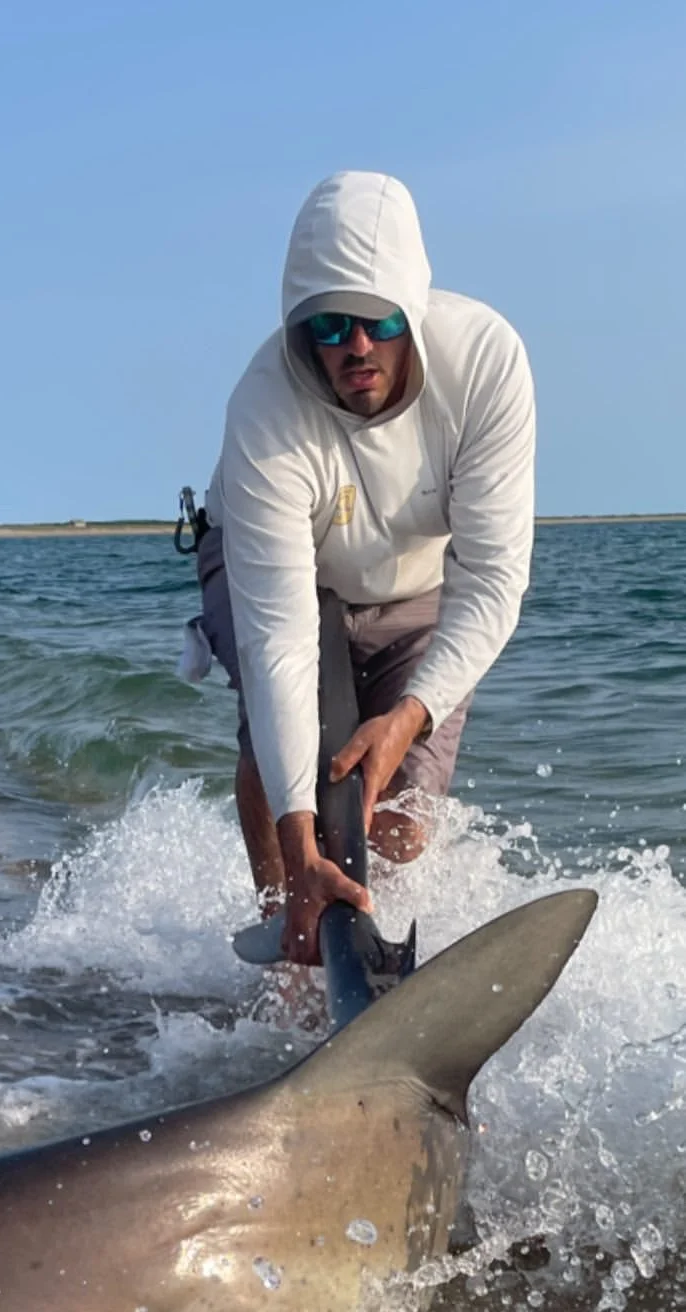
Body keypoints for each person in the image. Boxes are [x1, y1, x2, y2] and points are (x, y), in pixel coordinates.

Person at [192, 169, 535, 963]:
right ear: (300, 325)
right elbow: (278, 641)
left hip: (412, 577)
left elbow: (492, 581)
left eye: (378, 320)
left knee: (406, 825)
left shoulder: (486, 364)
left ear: (412, 308)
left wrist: (408, 715)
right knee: (290, 759)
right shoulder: (264, 407)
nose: (355, 347)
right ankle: (293, 932)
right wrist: (296, 832)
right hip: (277, 562)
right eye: (329, 323)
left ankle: (372, 937)